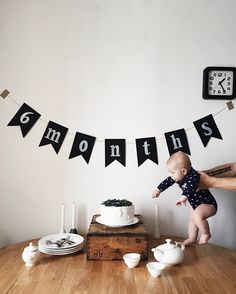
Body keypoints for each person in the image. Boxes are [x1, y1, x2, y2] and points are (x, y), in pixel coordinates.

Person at [152, 151, 217, 246]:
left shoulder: (194, 176)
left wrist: (183, 197)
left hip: (208, 204)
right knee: (192, 219)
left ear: (183, 171)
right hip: (196, 204)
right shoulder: (179, 176)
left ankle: (206, 233)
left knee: (197, 216)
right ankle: (192, 238)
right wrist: (158, 190)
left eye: (173, 173)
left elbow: (191, 187)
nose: (171, 176)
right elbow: (167, 181)